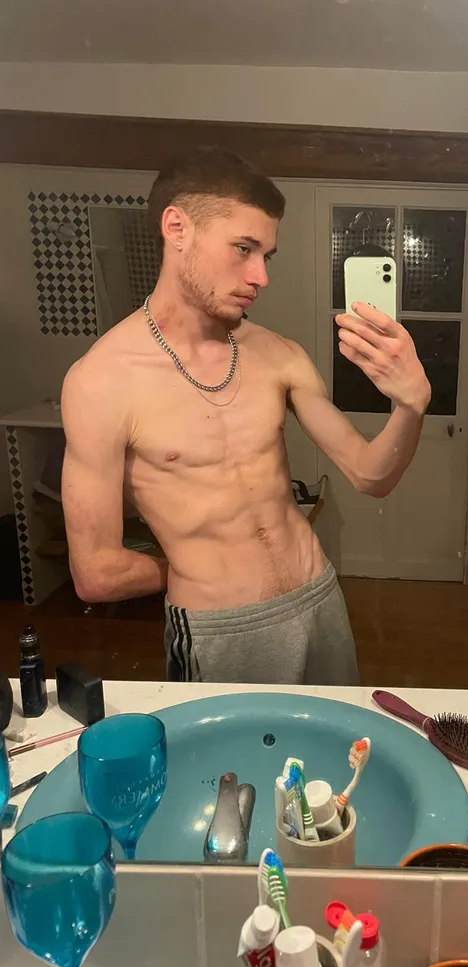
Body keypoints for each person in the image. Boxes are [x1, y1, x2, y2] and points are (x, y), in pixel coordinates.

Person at [61, 146, 430, 685]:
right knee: (238, 748)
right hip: (218, 630)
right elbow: (95, 573)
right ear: (176, 228)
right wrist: (194, 570)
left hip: (319, 599)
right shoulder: (101, 381)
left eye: (267, 256)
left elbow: (371, 475)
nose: (260, 276)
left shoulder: (279, 355)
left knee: (337, 739)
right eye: (243, 248)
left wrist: (411, 405)